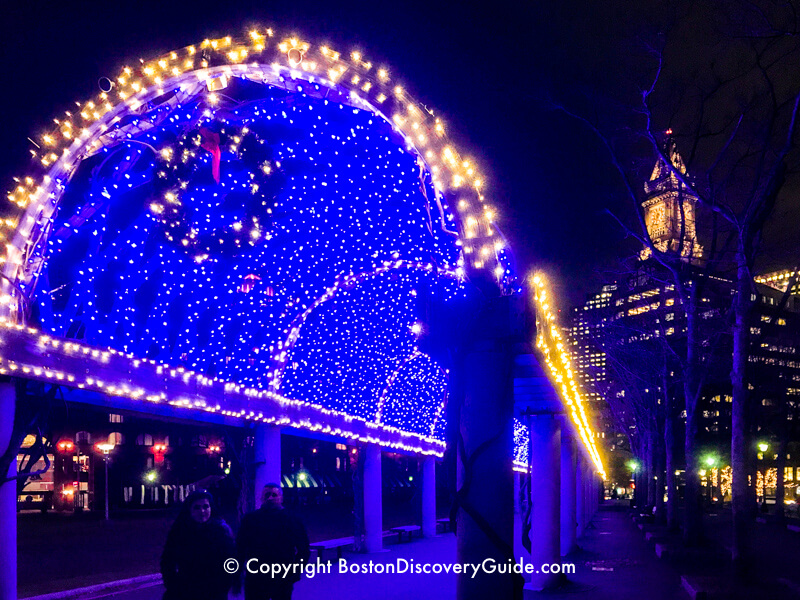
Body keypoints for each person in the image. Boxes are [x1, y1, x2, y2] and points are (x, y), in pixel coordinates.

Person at [237, 483, 310, 600]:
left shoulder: (293, 520)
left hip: (282, 577)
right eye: (267, 495)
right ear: (261, 498)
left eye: (274, 495)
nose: (270, 498)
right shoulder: (250, 520)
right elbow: (240, 548)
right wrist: (238, 572)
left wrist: (295, 573)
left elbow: (304, 550)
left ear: (281, 498)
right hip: (256, 577)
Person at [160, 489, 236, 600]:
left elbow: (231, 559)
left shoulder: (221, 531)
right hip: (186, 590)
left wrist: (225, 583)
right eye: (197, 507)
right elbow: (167, 561)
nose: (202, 511)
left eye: (206, 506)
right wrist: (173, 585)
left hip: (215, 591)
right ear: (189, 509)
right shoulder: (180, 531)